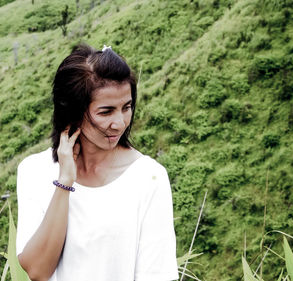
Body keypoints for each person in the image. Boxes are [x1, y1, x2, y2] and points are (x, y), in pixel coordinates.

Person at [16, 44, 178, 281]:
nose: (120, 122)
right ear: (73, 110)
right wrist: (64, 183)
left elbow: (155, 276)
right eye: (106, 112)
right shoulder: (34, 171)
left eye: (127, 107)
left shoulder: (149, 178)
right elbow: (38, 270)